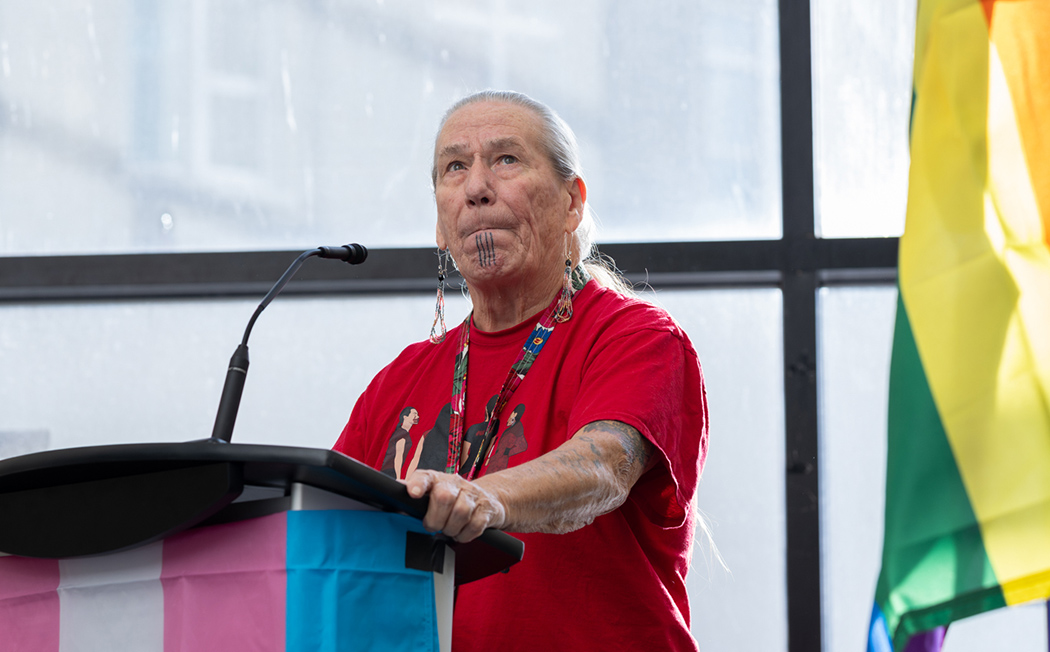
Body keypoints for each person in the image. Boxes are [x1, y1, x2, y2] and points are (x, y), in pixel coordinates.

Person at [333, 90, 708, 651]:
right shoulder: (398, 381)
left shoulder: (637, 337)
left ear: (572, 202)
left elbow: (603, 466)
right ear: (440, 223)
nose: (477, 188)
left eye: (506, 159)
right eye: (454, 168)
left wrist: (483, 499)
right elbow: (331, 538)